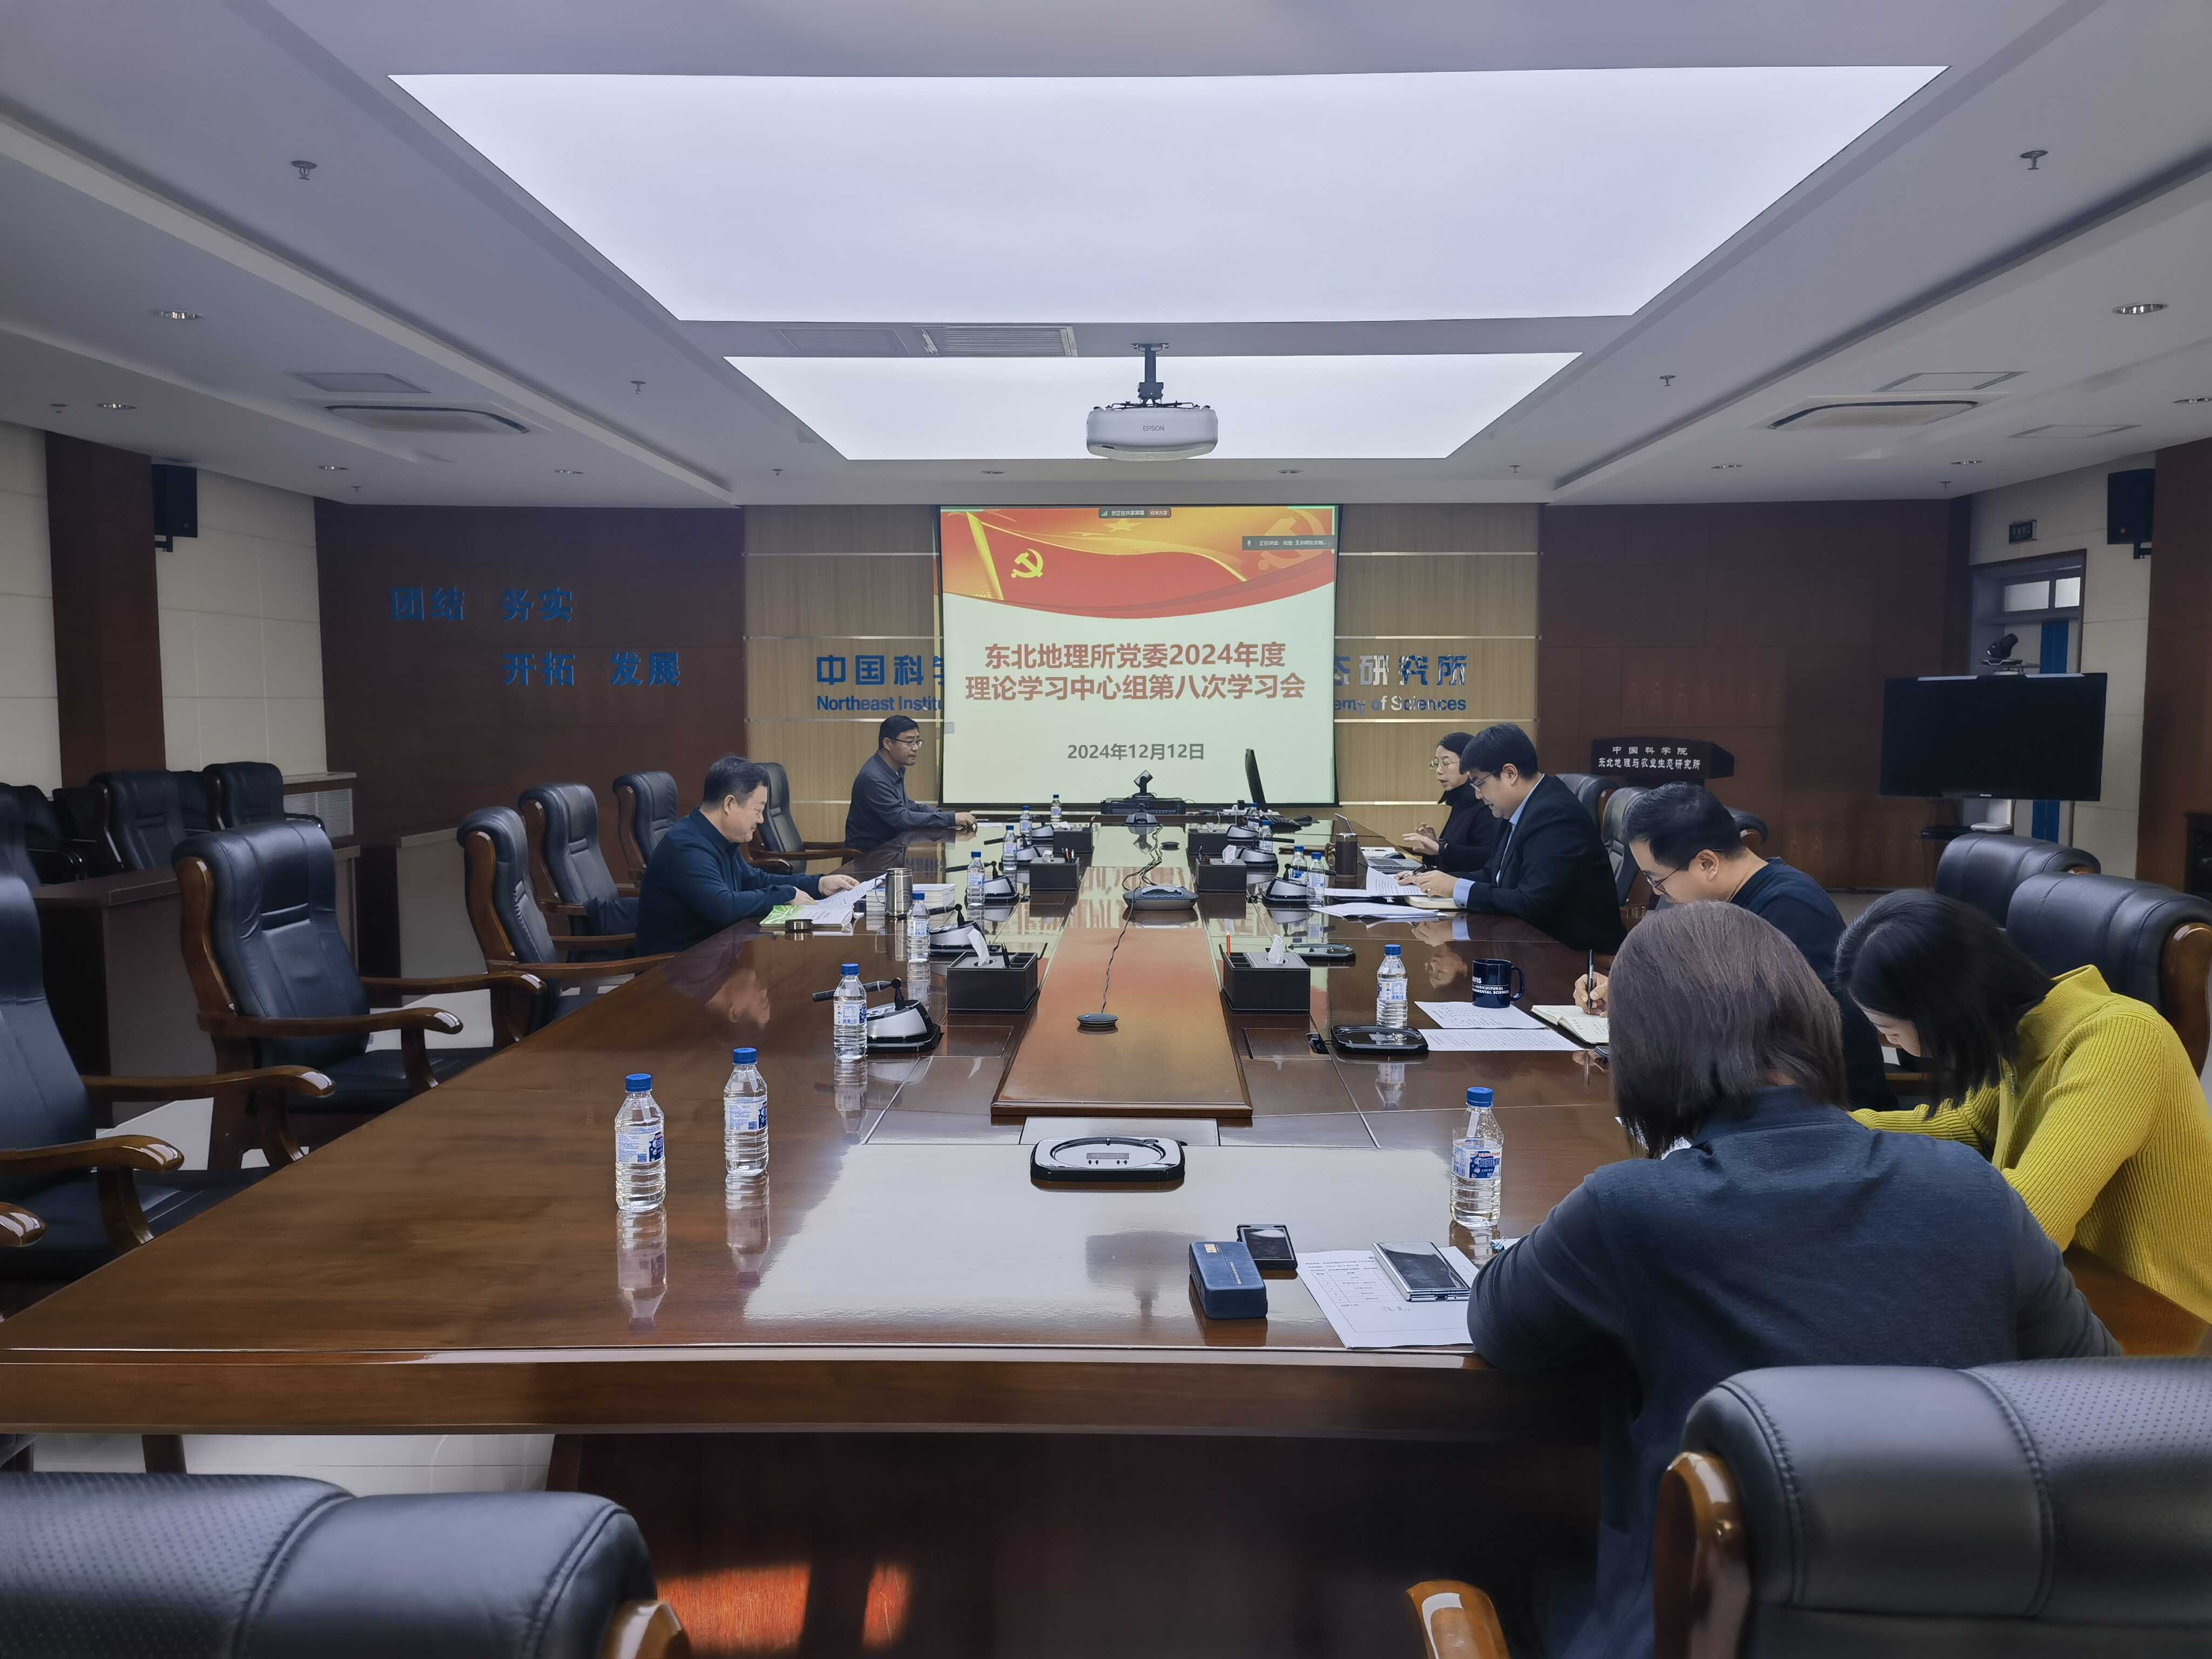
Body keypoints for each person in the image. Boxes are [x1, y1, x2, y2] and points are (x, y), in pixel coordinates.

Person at [1469, 902, 2115, 1659]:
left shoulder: (1632, 1208)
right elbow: (2094, 1389)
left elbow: (1499, 1326)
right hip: (1961, 1628)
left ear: (1642, 1050)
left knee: (1522, 1575)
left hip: (1708, 1629)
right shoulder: (1974, 1190)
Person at [1838, 889, 2212, 1324]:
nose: (1891, 1042)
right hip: (2068, 1284)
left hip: (2157, 1319)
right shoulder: (2025, 1033)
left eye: (1888, 1028)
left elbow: (2032, 1225)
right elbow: (1970, 1127)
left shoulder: (2121, 1041)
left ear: (1943, 1009)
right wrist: (1828, 1130)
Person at [1573, 783, 1893, 1111]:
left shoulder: (1789, 910)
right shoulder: (1721, 906)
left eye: (1658, 880)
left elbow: (1763, 1031)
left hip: (1826, 1109)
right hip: (1754, 1089)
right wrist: (1627, 991)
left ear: (1707, 864)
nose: (1658, 893)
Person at [1401, 724, 1624, 952]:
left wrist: (1457, 888)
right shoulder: (1514, 809)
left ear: (1510, 773)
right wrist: (1433, 881)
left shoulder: (1555, 816)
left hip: (1568, 954)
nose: (1478, 795)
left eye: (1479, 784)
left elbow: (1531, 903)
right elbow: (1493, 875)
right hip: (1529, 943)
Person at [637, 755, 857, 955]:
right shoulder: (687, 847)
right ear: (729, 804)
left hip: (715, 954)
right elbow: (723, 906)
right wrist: (786, 895)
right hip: (678, 967)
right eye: (758, 810)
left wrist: (818, 884)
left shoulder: (717, 837)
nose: (761, 820)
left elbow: (753, 880)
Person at [845, 716, 974, 851]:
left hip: (891, 851)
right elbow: (901, 819)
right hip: (869, 857)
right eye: (909, 742)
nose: (916, 748)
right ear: (888, 744)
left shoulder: (895, 770)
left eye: (917, 742)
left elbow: (908, 806)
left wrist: (945, 816)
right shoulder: (874, 778)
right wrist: (950, 819)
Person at [1397, 729, 1503, 873]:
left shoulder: (1486, 804)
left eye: (1446, 763)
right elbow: (1454, 858)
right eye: (1437, 763)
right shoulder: (1460, 800)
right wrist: (1434, 850)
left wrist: (1442, 848)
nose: (1439, 771)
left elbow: (1488, 859)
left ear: (1468, 764)